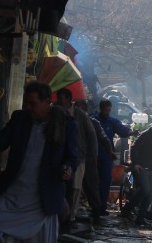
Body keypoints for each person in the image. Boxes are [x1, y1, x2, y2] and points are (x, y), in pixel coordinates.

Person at [0, 81, 78, 242]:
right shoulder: (19, 119)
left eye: (33, 103)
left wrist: (67, 168)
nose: (28, 107)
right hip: (14, 193)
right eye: (26, 103)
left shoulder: (66, 125)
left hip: (42, 199)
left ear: (47, 102)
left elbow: (72, 157)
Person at [55, 89, 103, 226]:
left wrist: (93, 155)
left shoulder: (80, 115)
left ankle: (71, 216)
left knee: (76, 187)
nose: (59, 101)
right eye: (58, 98)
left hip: (79, 156)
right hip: (60, 156)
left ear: (69, 99)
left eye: (61, 98)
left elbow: (91, 135)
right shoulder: (56, 112)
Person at [76, 100, 116, 217]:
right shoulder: (71, 121)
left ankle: (97, 209)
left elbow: (104, 139)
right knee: (75, 187)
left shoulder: (93, 122)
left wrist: (109, 152)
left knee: (92, 185)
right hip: (76, 159)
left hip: (89, 159)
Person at [90, 99, 131, 214]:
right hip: (93, 156)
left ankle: (101, 207)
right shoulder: (93, 119)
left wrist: (132, 132)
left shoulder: (112, 121)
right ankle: (94, 207)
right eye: (105, 110)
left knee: (105, 181)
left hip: (107, 157)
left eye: (109, 110)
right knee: (93, 182)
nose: (107, 112)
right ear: (100, 109)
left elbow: (122, 131)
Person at [126, 117, 152, 226]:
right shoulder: (146, 135)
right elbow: (134, 148)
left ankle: (140, 219)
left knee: (149, 195)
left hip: (151, 168)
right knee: (145, 190)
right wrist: (135, 163)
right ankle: (127, 209)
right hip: (141, 167)